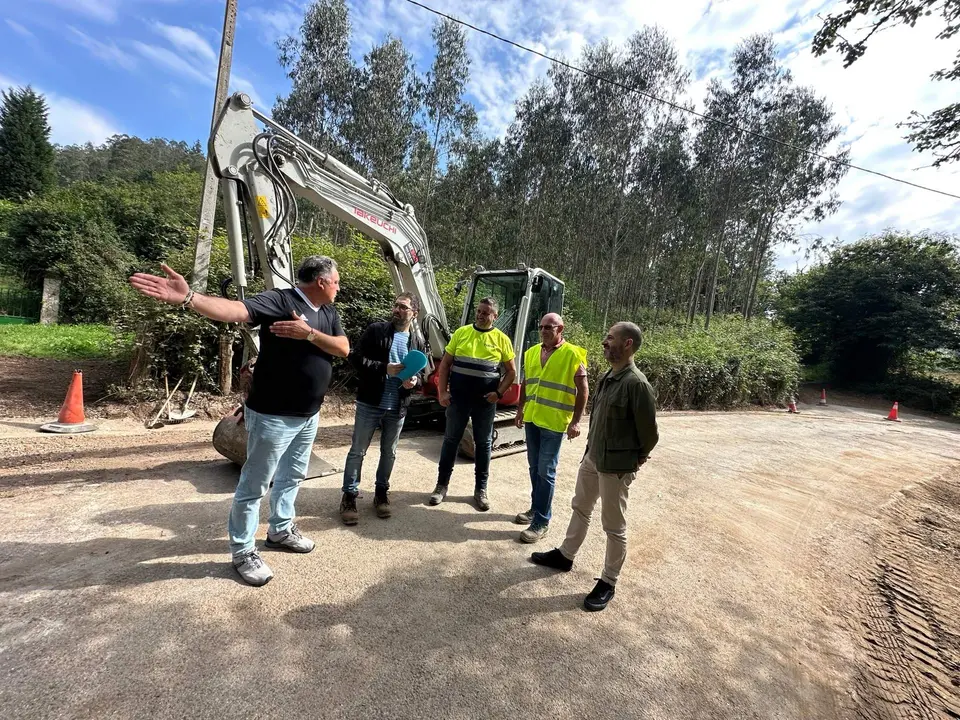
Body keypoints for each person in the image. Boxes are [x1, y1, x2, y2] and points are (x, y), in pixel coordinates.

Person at [129, 256, 349, 587]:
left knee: (291, 476)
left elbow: (343, 348)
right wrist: (190, 298)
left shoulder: (327, 312)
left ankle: (280, 529)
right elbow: (234, 310)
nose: (338, 287)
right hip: (274, 416)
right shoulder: (281, 300)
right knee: (254, 486)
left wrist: (308, 335)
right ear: (321, 282)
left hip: (309, 415)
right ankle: (243, 551)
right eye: (336, 282)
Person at [531, 322, 658, 612]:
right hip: (593, 457)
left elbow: (650, 434)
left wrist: (635, 460)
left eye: (610, 338)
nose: (604, 342)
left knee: (613, 527)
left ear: (627, 344)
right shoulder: (608, 376)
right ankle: (565, 555)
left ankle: (608, 581)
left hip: (615, 465)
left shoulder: (636, 384)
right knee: (580, 507)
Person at [339, 293, 427, 525]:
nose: (397, 310)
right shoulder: (376, 330)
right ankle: (349, 496)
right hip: (370, 402)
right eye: (395, 305)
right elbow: (355, 358)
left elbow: (422, 372)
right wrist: (384, 368)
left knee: (389, 452)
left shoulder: (417, 340)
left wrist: (415, 381)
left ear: (414, 313)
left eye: (403, 307)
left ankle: (381, 494)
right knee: (358, 451)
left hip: (397, 406)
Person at [429, 297, 516, 511]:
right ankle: (441, 486)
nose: (480, 315)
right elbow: (446, 365)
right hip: (458, 399)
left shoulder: (502, 339)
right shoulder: (461, 333)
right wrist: (442, 392)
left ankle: (481, 490)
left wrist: (499, 392)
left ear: (495, 317)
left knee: (484, 444)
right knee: (451, 441)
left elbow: (511, 372)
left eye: (486, 312)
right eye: (479, 311)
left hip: (484, 404)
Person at [513, 313, 588, 544]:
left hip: (555, 423)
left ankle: (542, 522)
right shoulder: (531, 352)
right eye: (542, 326)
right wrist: (520, 409)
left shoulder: (573, 353)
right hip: (534, 419)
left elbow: (583, 389)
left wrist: (576, 421)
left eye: (550, 327)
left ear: (560, 329)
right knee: (535, 467)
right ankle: (536, 509)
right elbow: (526, 383)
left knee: (546, 470)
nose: (544, 330)